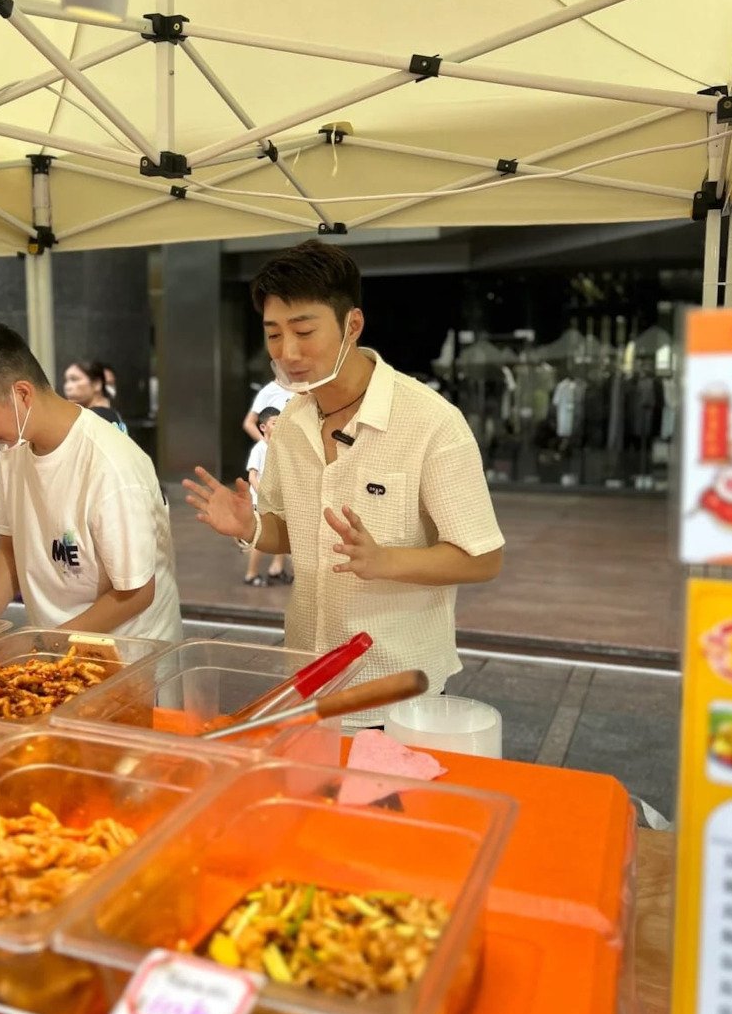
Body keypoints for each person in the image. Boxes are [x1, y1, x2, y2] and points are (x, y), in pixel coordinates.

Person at [184, 240, 504, 720]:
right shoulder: (290, 423)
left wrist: (384, 560)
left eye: (304, 330)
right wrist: (249, 527)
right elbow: (294, 532)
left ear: (352, 324)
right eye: (273, 334)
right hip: (306, 682)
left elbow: (483, 558)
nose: (288, 352)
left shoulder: (431, 422)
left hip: (396, 690)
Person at [0, 315, 182, 641]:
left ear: (22, 394)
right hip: (57, 649)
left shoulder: (111, 466)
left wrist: (46, 643)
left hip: (131, 660)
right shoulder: (13, 450)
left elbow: (136, 593)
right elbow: (10, 549)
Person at [244, 405, 292, 588]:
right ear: (263, 427)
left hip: (278, 501)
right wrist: (263, 495)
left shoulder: (279, 448)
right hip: (261, 502)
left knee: (282, 533)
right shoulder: (259, 449)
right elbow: (252, 477)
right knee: (261, 538)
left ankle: (276, 569)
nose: (278, 426)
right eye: (274, 423)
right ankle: (251, 573)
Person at [63, 360, 128, 433]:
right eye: (66, 381)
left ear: (96, 384)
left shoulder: (91, 418)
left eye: (74, 379)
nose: (67, 387)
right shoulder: (115, 415)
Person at [241, 377, 294, 442]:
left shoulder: (304, 389)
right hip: (280, 447)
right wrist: (266, 445)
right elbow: (249, 423)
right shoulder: (268, 391)